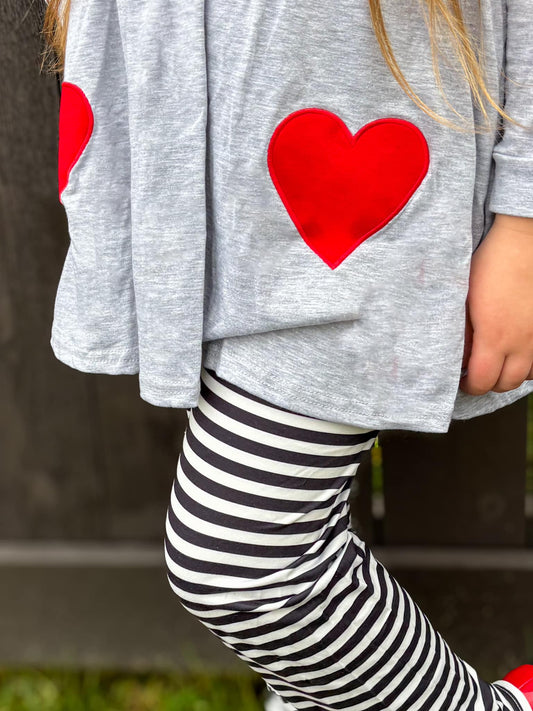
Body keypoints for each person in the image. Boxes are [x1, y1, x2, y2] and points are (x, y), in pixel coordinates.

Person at [41, 0, 533, 709]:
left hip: (357, 198)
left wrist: (525, 220)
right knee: (297, 566)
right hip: (204, 152)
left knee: (242, 562)